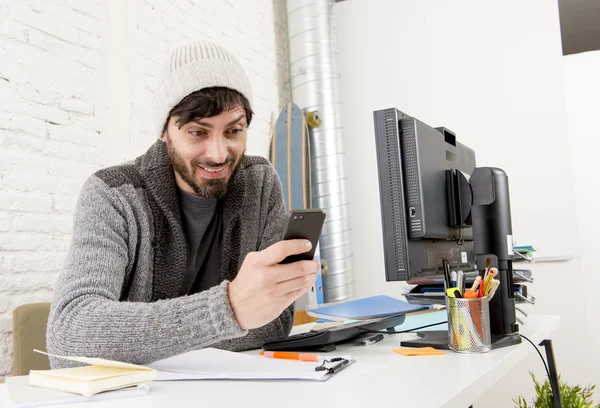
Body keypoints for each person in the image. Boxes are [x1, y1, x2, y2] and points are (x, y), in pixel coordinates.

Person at [46, 40, 319, 368]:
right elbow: (69, 336)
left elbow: (273, 323)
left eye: (233, 131)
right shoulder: (112, 195)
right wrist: (229, 309)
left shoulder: (259, 182)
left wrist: (139, 339)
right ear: (164, 131)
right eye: (197, 133)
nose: (218, 154)